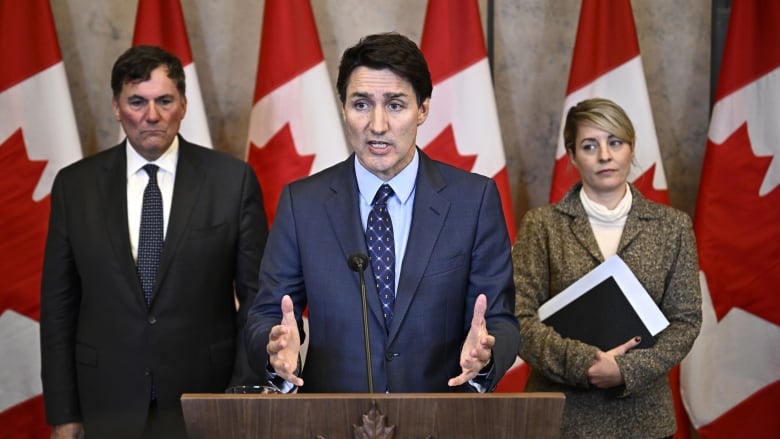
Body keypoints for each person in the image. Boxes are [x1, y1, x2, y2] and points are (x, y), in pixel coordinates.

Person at [244, 32, 519, 394]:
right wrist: (274, 347)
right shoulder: (302, 204)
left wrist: (486, 356)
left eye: (394, 105)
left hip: (441, 418)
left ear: (422, 109)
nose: (377, 125)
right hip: (333, 421)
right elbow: (266, 314)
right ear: (343, 109)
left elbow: (500, 321)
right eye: (361, 104)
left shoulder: (474, 200)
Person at [40, 45, 268, 439]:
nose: (151, 116)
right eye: (137, 102)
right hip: (105, 401)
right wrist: (64, 411)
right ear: (116, 107)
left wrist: (241, 394)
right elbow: (59, 306)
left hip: (204, 397)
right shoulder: (74, 186)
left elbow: (257, 299)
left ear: (182, 104)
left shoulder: (232, 181)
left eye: (164, 101)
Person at [514, 97, 702, 438]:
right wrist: (584, 363)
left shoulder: (672, 226)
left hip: (644, 419)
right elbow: (518, 318)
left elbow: (685, 321)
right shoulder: (541, 225)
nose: (605, 155)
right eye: (590, 145)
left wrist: (626, 370)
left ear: (631, 148)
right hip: (560, 417)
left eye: (615, 142)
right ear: (572, 155)